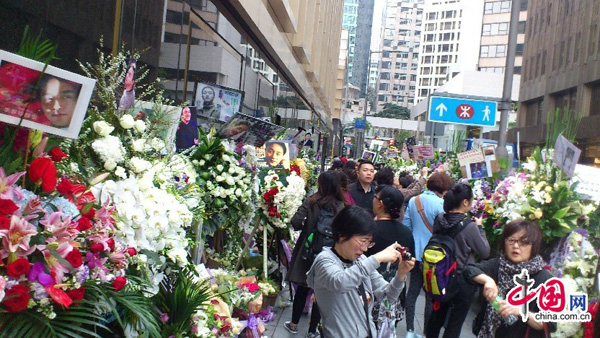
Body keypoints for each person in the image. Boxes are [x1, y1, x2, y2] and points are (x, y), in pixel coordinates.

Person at [306, 206, 416, 338]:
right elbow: (341, 282)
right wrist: (377, 258)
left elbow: (388, 297)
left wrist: (401, 274)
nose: (364, 248)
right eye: (363, 241)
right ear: (342, 235)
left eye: (369, 243)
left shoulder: (361, 261)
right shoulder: (324, 261)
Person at [464, 220, 557, 337]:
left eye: (524, 242)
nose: (516, 246)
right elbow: (469, 269)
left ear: (534, 246)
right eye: (511, 240)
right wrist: (488, 280)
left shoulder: (545, 279)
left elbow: (549, 324)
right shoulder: (498, 265)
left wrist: (519, 311)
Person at [286, 171, 348, 337]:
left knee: (303, 288)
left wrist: (308, 227)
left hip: (308, 250)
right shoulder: (342, 206)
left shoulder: (312, 201)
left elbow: (295, 222)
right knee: (321, 293)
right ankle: (312, 330)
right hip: (329, 255)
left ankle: (293, 324)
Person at [425, 183, 490, 338]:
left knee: (436, 316)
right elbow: (485, 252)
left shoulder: (439, 218)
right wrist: (480, 227)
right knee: (455, 322)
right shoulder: (470, 226)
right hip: (462, 279)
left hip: (440, 274)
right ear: (465, 202)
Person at [402, 172, 454, 338]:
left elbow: (406, 226)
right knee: (431, 295)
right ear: (444, 189)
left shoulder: (413, 200)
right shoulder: (442, 205)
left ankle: (410, 329)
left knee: (413, 292)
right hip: (435, 258)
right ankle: (427, 332)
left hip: (415, 255)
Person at [367, 185, 415, 330]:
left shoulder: (368, 229)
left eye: (375, 197)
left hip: (369, 293)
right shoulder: (406, 232)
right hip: (395, 295)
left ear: (380, 203)